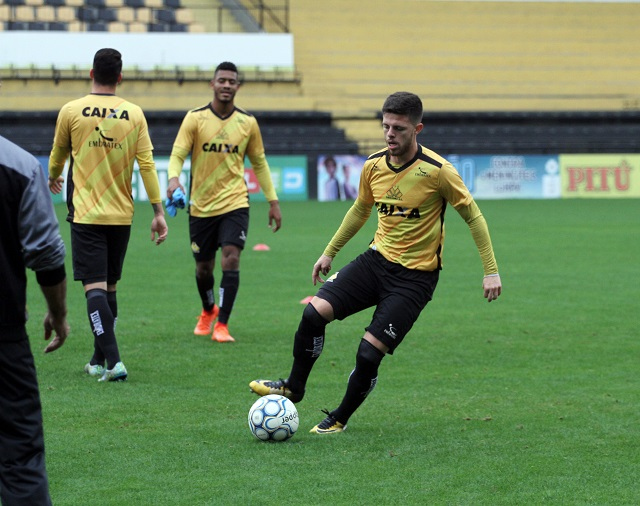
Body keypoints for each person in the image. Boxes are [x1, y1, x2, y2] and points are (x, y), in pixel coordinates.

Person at [250, 92, 502, 434]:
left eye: (398, 128)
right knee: (313, 314)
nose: (389, 134)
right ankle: (294, 387)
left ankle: (339, 417)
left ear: (417, 129)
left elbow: (474, 217)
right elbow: (360, 209)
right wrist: (329, 251)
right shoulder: (372, 166)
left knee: (368, 354)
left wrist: (490, 270)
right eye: (385, 126)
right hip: (375, 262)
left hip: (415, 279)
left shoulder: (439, 172)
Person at [48, 48, 168, 382]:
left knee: (94, 289)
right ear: (120, 77)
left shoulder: (71, 111)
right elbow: (146, 165)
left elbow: (58, 155)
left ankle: (114, 362)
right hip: (121, 215)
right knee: (108, 289)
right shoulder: (135, 114)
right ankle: (97, 361)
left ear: (91, 73)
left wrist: (53, 175)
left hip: (86, 214)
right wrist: (157, 212)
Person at [167, 61, 282, 343]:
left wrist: (273, 200)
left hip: (235, 202)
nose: (227, 85)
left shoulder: (247, 123)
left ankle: (223, 324)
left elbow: (260, 163)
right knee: (203, 268)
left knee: (231, 257)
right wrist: (173, 179)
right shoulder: (194, 118)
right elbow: (178, 153)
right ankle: (208, 310)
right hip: (201, 206)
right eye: (222, 80)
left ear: (237, 86)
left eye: (232, 81)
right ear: (213, 84)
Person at [0, 135, 69, 505]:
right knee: (20, 455)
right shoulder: (18, 164)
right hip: (4, 337)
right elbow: (46, 253)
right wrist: (58, 315)